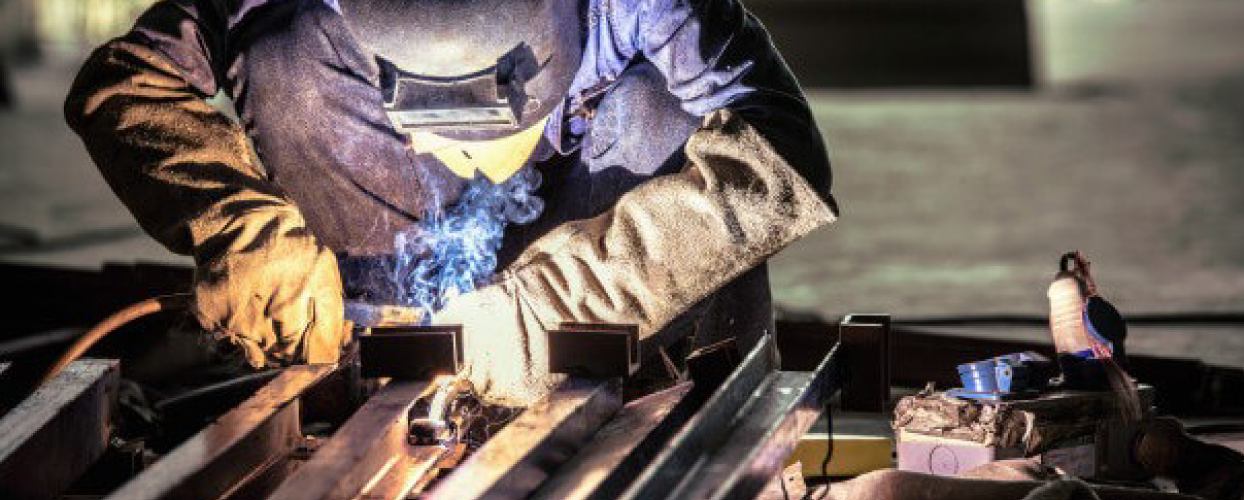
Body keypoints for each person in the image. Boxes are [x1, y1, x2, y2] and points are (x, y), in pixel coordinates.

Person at [65, 0, 835, 406]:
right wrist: (242, 227)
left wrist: (556, 301)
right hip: (396, 211)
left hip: (588, 224)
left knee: (661, 109)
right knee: (283, 55)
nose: (460, 150)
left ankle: (681, 387)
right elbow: (125, 80)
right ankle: (373, 352)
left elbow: (783, 156)